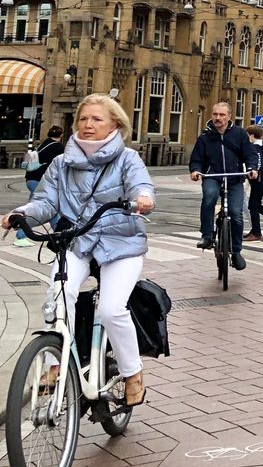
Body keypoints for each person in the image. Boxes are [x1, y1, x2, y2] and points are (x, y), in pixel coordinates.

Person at [3, 94, 155, 406]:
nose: (88, 125)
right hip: (79, 240)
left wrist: (142, 199)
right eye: (83, 119)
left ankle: (132, 373)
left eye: (97, 119)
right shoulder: (61, 163)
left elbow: (142, 187)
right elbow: (45, 202)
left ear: (115, 124)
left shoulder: (128, 159)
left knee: (112, 309)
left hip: (120, 243)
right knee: (58, 295)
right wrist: (20, 214)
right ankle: (55, 365)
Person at [189, 101, 260, 271]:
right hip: (213, 176)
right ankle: (207, 235)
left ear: (229, 117)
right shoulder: (205, 137)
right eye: (215, 114)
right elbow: (196, 158)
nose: (218, 118)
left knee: (236, 213)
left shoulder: (240, 134)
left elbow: (250, 154)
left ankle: (236, 252)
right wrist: (196, 171)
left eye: (221, 115)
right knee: (209, 198)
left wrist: (251, 169)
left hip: (234, 178)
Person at [15, 124, 63, 248]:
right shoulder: (58, 147)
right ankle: (60, 234)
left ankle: (22, 235)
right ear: (61, 136)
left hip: (30, 178)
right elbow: (62, 167)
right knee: (48, 210)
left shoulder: (44, 143)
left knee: (36, 208)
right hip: (40, 180)